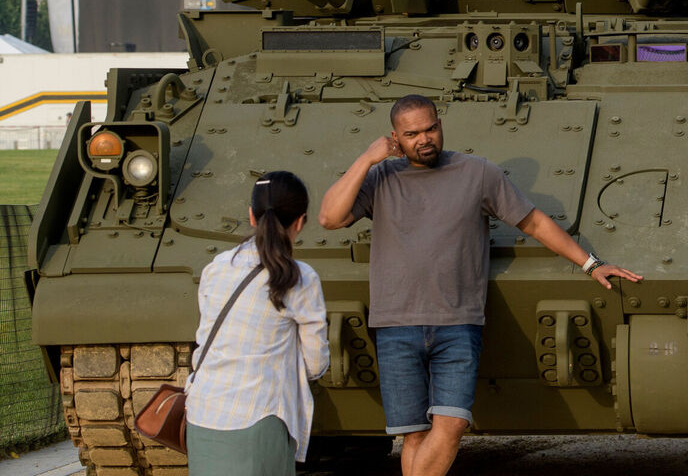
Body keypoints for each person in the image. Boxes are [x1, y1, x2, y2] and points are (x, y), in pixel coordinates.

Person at [318, 94, 642, 476]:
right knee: (414, 435)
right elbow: (329, 218)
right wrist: (367, 158)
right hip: (396, 325)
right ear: (395, 138)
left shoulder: (477, 172)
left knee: (452, 423)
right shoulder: (381, 178)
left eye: (431, 128)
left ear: (440, 124)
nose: (425, 139)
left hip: (457, 323)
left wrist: (591, 264)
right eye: (412, 133)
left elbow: (533, 222)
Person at [186, 171, 330, 476]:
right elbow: (316, 365)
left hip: (202, 413)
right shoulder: (300, 278)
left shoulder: (217, 267)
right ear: (301, 221)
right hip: (259, 417)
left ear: (252, 216)